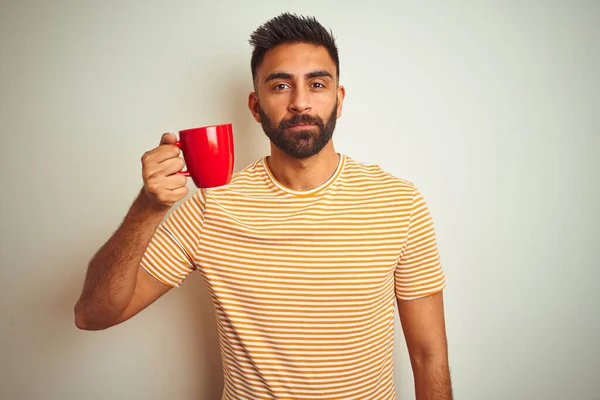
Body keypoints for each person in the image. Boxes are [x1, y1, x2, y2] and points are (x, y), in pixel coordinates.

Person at [74, 12, 452, 400]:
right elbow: (94, 315)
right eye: (280, 86)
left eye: (317, 84)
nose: (300, 102)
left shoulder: (399, 204)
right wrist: (146, 209)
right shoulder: (210, 207)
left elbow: (428, 356)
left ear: (338, 101)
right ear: (255, 107)